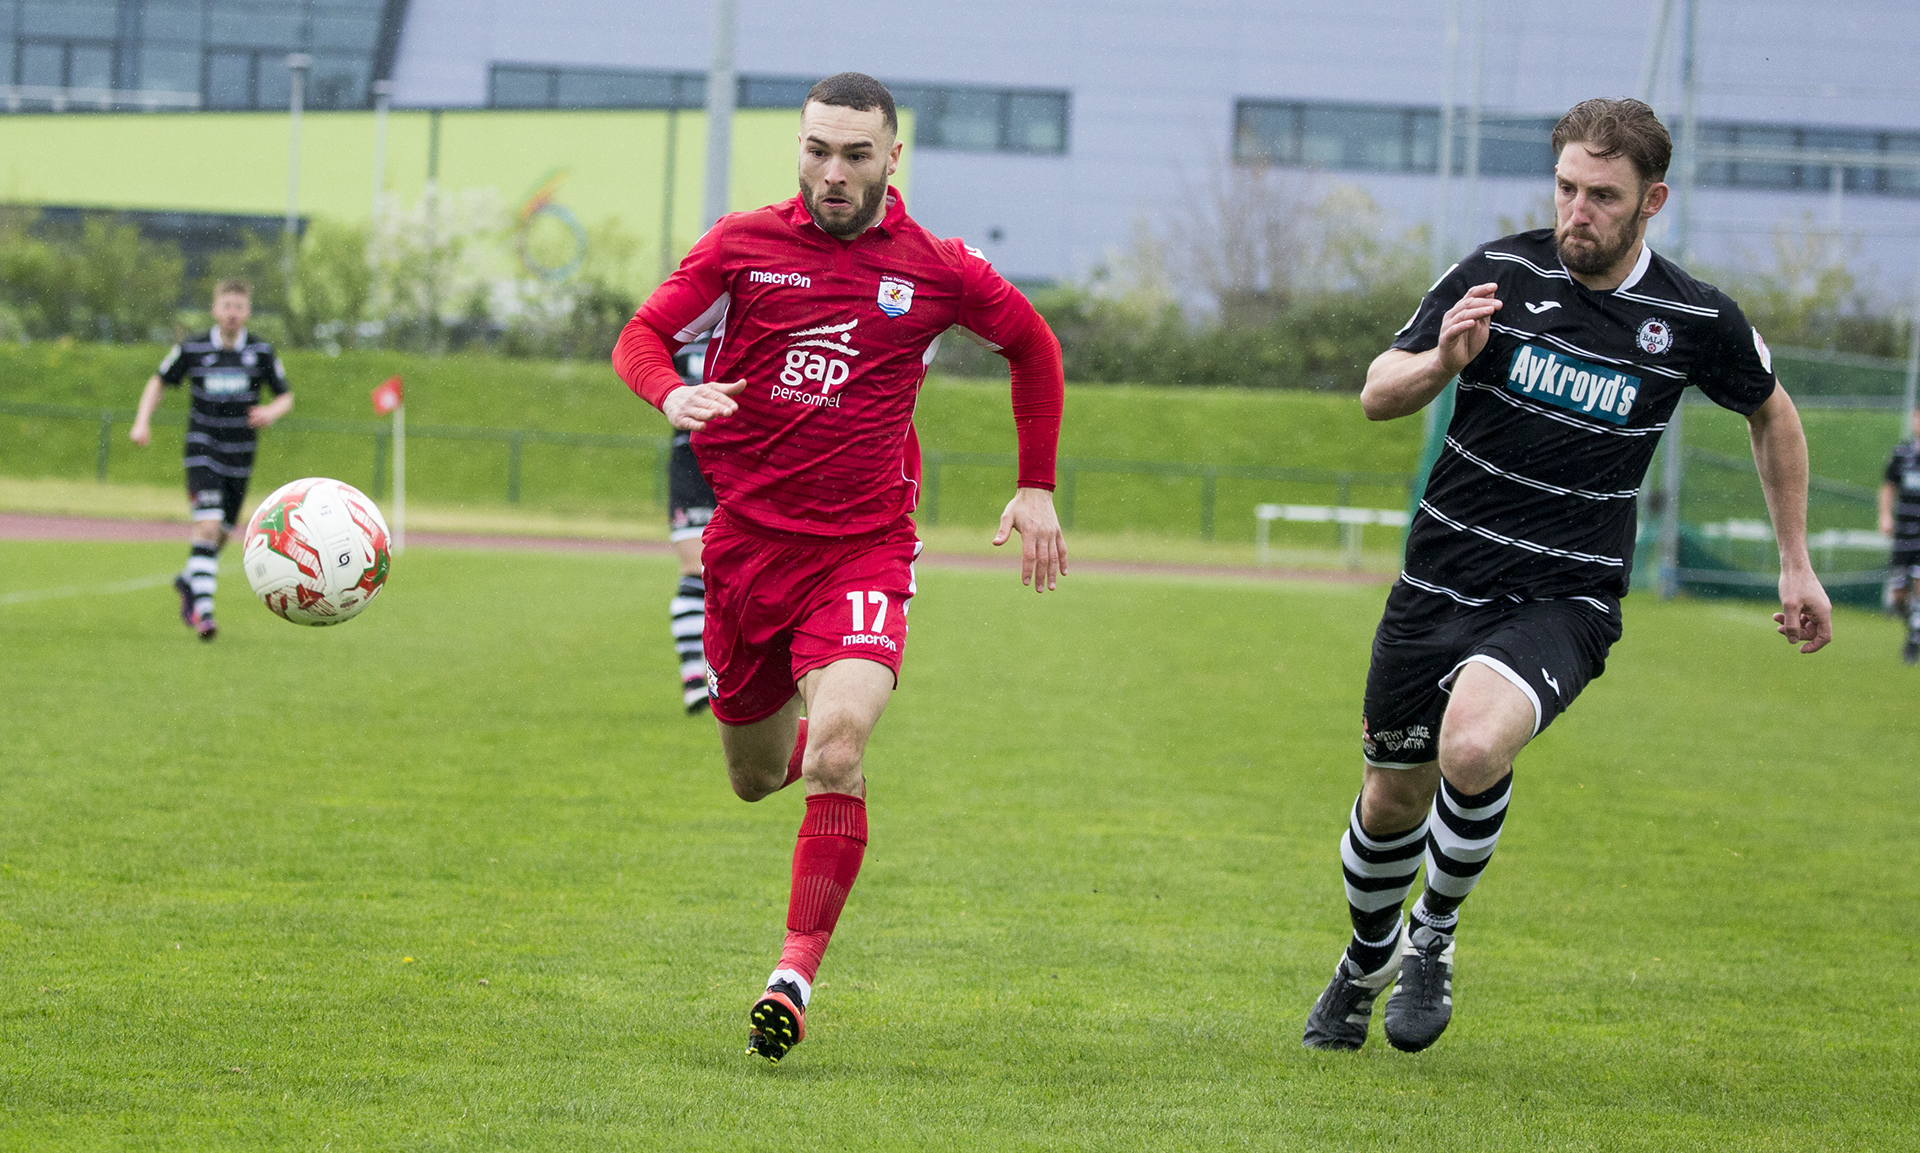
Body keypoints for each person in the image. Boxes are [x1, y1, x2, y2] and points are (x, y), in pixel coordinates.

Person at [1301, 98, 1832, 1054]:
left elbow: (1774, 413)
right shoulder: (1499, 272)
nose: (1575, 210)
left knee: (1473, 746)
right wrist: (1442, 364)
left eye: (1602, 196)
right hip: (1439, 582)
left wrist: (1796, 563)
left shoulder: (1694, 316)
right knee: (1390, 799)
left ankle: (1434, 937)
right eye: (1565, 188)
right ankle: (1364, 959)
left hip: (1566, 598)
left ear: (1651, 201)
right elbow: (1379, 390)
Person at [612, 72, 1067, 1063]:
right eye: (818, 149)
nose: (833, 170)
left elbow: (1032, 346)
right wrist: (667, 395)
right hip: (745, 552)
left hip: (863, 549)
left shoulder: (937, 269)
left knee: (839, 745)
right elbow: (641, 335)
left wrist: (1035, 484)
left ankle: (793, 971)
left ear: (891, 158)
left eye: (856, 153)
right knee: (755, 776)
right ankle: (813, 748)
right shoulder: (741, 244)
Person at [129, 279, 293, 641]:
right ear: (215, 310)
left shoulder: (261, 351)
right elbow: (158, 381)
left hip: (241, 456)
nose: (233, 313)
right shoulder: (193, 348)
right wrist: (142, 421)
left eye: (239, 306)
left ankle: (189, 580)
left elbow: (286, 395)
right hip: (203, 449)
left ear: (248, 312)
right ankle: (204, 612)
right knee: (206, 527)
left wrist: (271, 411)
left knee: (220, 535)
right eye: (227, 305)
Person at [666, 337, 718, 713]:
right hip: (691, 464)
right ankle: (693, 679)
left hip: (749, 463)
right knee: (695, 572)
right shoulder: (675, 336)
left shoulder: (752, 320)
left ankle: (726, 680)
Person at [1880, 406, 1920, 664]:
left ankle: (1913, 641)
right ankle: (1914, 627)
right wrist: (1885, 516)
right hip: (1902, 533)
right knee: (1898, 595)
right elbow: (1888, 486)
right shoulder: (1901, 453)